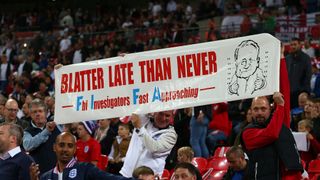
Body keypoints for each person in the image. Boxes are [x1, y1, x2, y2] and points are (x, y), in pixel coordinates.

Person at [241, 53, 305, 179]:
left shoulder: (281, 122)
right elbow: (271, 133)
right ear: (251, 111)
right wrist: (280, 106)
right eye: (256, 109)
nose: (259, 112)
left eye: (263, 108)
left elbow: (284, 89)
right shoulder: (247, 133)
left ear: (270, 109)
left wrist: (280, 58)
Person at [29, 132, 132, 180]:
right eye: (61, 145)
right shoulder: (46, 177)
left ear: (74, 150)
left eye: (70, 146)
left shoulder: (86, 169)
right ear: (54, 147)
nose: (65, 149)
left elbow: (112, 179)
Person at [120, 111, 177, 177]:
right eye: (160, 113)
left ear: (172, 117)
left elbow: (154, 148)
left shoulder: (171, 135)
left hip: (148, 177)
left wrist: (140, 129)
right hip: (127, 173)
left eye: (167, 115)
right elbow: (137, 107)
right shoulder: (145, 121)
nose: (163, 118)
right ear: (155, 113)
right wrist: (149, 109)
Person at [23, 98, 60, 174]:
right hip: (38, 174)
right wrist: (46, 131)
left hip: (56, 172)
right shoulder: (27, 132)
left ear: (46, 113)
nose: (37, 114)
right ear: (30, 114)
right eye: (34, 112)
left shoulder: (56, 126)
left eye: (40, 111)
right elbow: (28, 146)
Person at [286, 37, 312, 109]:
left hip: (300, 93)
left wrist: (304, 91)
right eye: (291, 45)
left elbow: (308, 75)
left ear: (300, 45)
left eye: (295, 44)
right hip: (288, 93)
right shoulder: (287, 58)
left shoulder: (306, 58)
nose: (293, 46)